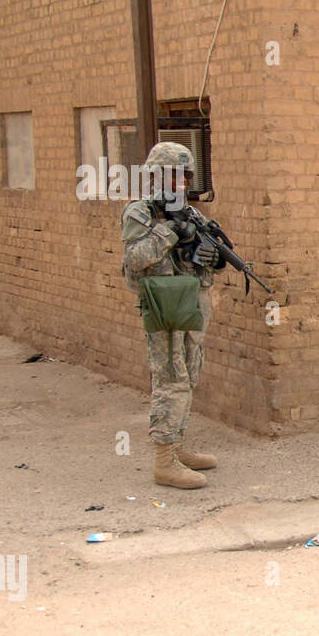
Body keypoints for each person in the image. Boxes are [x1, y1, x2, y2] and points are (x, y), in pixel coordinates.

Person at [121, 142, 225, 489]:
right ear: (155, 176)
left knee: (190, 373)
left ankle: (177, 446)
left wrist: (213, 256)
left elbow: (205, 253)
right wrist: (169, 232)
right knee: (170, 379)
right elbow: (136, 259)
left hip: (192, 301)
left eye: (185, 176)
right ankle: (164, 461)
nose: (180, 183)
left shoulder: (191, 213)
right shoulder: (141, 212)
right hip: (164, 305)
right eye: (172, 176)